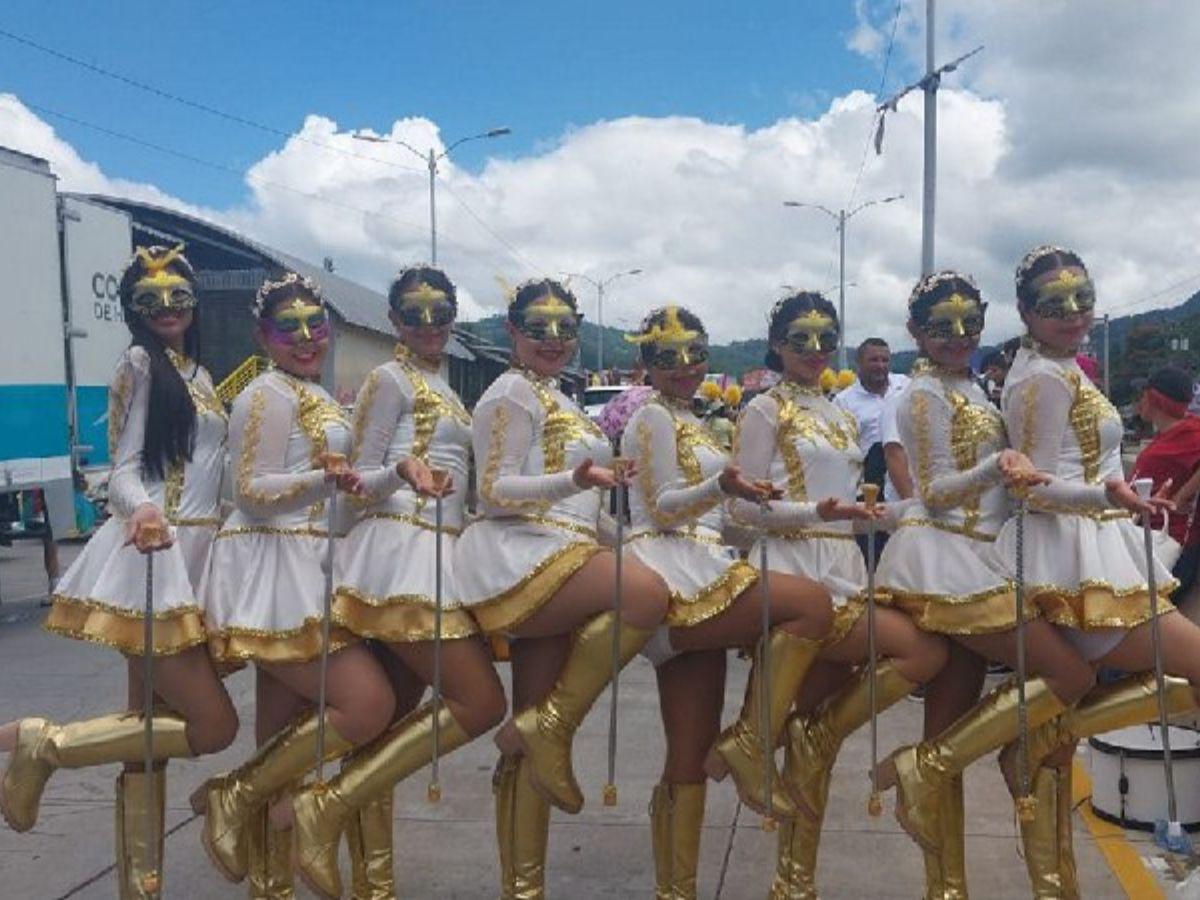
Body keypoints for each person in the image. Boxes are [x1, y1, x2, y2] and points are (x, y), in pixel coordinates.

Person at [879, 248, 1198, 897]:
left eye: (1082, 298)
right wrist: (1105, 495)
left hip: (1028, 555)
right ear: (1027, 312)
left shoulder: (1002, 380)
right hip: (1000, 563)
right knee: (1065, 694)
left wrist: (1109, 495)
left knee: (1044, 747)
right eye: (1056, 303)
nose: (1075, 313)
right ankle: (935, 774)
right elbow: (1011, 487)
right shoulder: (1018, 382)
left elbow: (1031, 480)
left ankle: (1039, 878)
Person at [1, 245, 238, 897]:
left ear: (196, 304)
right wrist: (140, 514)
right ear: (133, 310)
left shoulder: (200, 374)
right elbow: (125, 468)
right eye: (151, 299)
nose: (167, 309)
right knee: (214, 727)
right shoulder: (141, 363)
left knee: (143, 733)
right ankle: (44, 745)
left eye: (178, 297)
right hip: (158, 556)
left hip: (194, 557)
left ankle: (140, 885)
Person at [277, 265, 508, 898]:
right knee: (483, 703)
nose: (430, 325)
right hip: (404, 555)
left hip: (441, 554)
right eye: (415, 314)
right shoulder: (388, 378)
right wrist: (403, 473)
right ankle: (318, 806)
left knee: (383, 731)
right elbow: (360, 478)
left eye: (441, 313)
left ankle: (373, 886)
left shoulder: (442, 383)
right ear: (394, 320)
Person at [452, 278, 670, 898]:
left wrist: (616, 533)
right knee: (647, 597)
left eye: (564, 329)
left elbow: (581, 508)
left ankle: (523, 888)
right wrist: (571, 480)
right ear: (512, 331)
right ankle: (554, 724)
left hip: (562, 548)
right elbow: (494, 491)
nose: (554, 340)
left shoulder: (560, 397)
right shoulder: (510, 392)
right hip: (521, 554)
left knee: (523, 740)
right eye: (538, 328)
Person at [729, 291, 948, 898]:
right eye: (801, 338)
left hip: (843, 566)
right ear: (777, 344)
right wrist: (813, 511)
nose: (815, 349)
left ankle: (795, 882)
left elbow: (850, 512)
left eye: (826, 337)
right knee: (917, 652)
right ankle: (758, 748)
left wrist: (915, 513)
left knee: (816, 736)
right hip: (794, 571)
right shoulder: (764, 410)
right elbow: (740, 509)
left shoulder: (837, 413)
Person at [198, 272, 409, 891]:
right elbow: (249, 491)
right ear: (264, 335)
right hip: (272, 567)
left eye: (316, 324)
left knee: (284, 739)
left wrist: (400, 477)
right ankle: (232, 797)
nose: (306, 336)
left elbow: (344, 488)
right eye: (288, 327)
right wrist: (326, 482)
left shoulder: (312, 394)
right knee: (369, 704)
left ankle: (272, 884)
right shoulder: (266, 393)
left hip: (313, 563)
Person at [874, 270, 1079, 896]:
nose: (960, 335)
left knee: (950, 723)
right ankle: (921, 769)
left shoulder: (971, 387)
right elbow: (932, 491)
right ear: (915, 331)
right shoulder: (923, 394)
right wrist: (999, 463)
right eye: (943, 326)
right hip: (953, 564)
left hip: (983, 556)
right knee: (1071, 678)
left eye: (970, 322)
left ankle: (947, 887)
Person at [619, 305, 833, 897]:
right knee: (811, 606)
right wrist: (722, 485)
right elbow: (663, 507)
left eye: (696, 353)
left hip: (701, 566)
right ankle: (749, 744)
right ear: (646, 363)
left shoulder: (692, 419)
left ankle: (675, 890)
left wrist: (806, 516)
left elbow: (722, 521)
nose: (686, 367)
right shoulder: (653, 416)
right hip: (672, 573)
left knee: (687, 756)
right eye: (669, 357)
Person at [1131, 366, 1200, 610]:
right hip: (1160, 539)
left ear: (1154, 399)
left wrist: (1182, 496)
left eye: (1142, 395)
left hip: (1170, 545)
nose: (1138, 402)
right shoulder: (1180, 429)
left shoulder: (1186, 434)